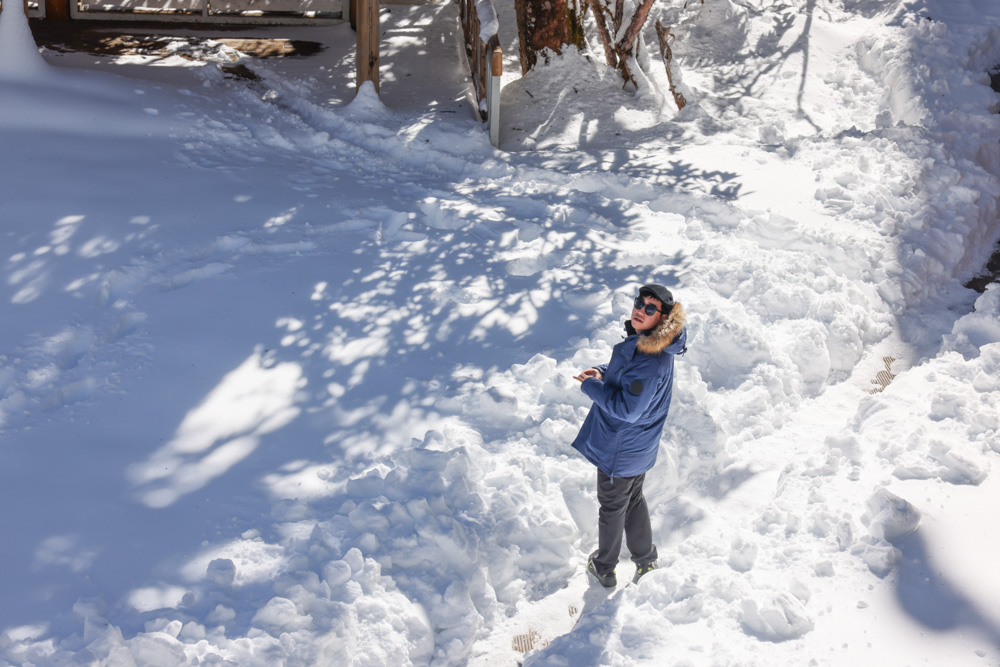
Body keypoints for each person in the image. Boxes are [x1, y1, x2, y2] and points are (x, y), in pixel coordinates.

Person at [571, 284, 687, 587]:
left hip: (619, 449)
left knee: (612, 508)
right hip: (638, 447)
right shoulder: (651, 345)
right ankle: (646, 561)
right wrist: (600, 371)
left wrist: (590, 387)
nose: (640, 309)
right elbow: (625, 372)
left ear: (661, 319)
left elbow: (628, 408)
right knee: (633, 500)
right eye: (639, 302)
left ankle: (604, 566)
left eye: (650, 308)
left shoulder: (650, 360)